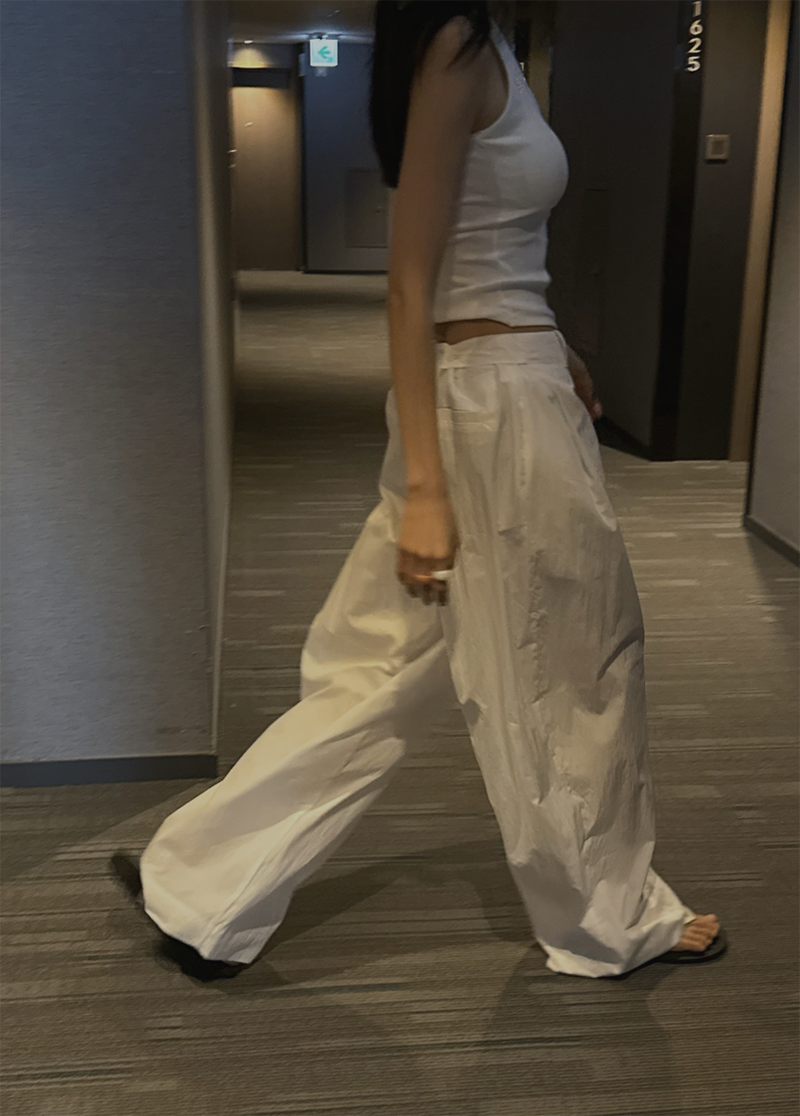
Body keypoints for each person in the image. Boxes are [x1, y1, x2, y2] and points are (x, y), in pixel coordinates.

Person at [112, 0, 726, 981]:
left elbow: (481, 252)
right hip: (492, 415)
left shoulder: (475, 42)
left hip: (490, 388)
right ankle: (609, 920)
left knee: (380, 667)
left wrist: (553, 342)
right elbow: (409, 279)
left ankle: (200, 884)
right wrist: (432, 488)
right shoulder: (455, 41)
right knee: (575, 668)